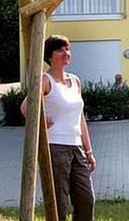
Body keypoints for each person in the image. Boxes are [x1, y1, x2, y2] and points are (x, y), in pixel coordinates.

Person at [20, 35, 96, 221]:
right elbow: (25, 108)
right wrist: (41, 120)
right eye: (60, 50)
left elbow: (80, 118)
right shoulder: (45, 80)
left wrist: (88, 151)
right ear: (49, 56)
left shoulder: (75, 81)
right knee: (58, 203)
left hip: (77, 148)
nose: (66, 53)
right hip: (55, 148)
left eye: (67, 49)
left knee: (86, 200)